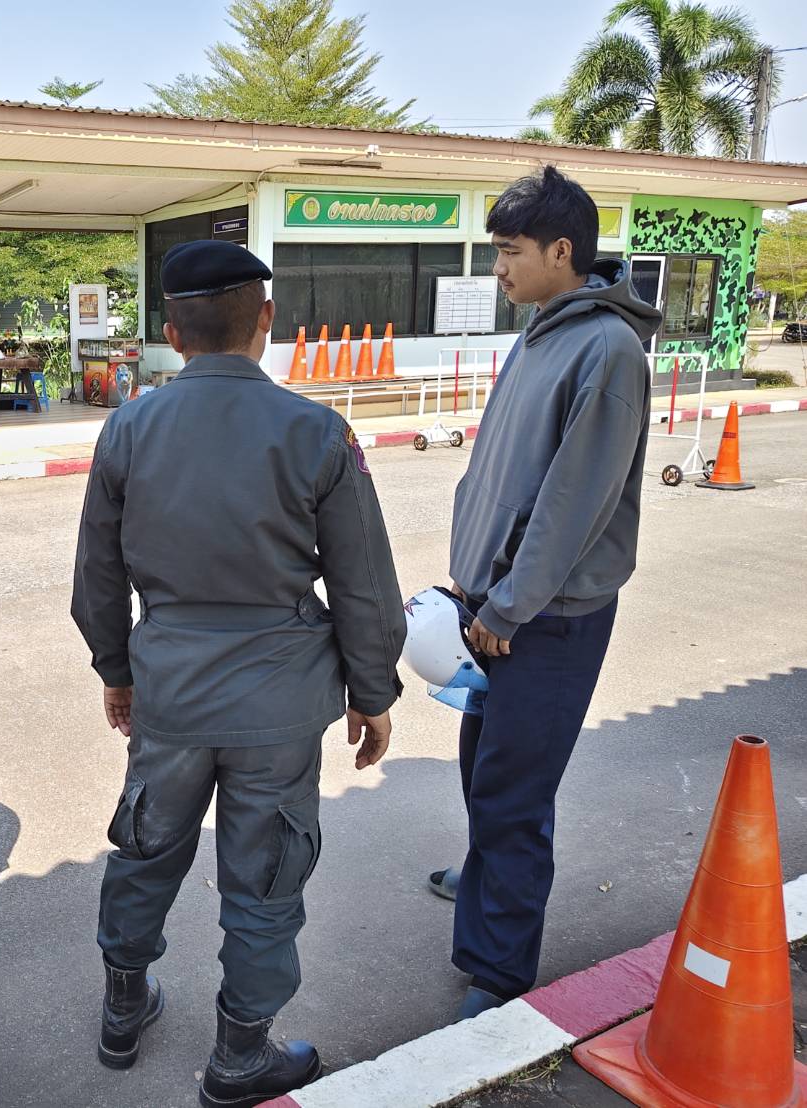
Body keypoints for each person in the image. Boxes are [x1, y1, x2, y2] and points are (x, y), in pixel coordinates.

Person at [72, 239, 406, 1108]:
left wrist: (116, 669)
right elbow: (364, 583)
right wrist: (372, 693)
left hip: (169, 692)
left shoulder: (128, 427)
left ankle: (121, 1012)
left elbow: (96, 576)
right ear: (266, 319)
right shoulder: (316, 431)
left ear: (171, 332)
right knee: (264, 876)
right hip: (279, 702)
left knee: (146, 849)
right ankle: (239, 1058)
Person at [429, 166, 661, 1020]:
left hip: (545, 617)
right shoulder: (539, 332)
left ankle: (496, 970)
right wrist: (472, 582)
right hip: (494, 604)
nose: (498, 268)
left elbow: (572, 504)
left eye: (510, 251)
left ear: (561, 252)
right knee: (485, 765)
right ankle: (487, 878)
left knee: (514, 790)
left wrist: (507, 605)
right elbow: (500, 469)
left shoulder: (605, 349)